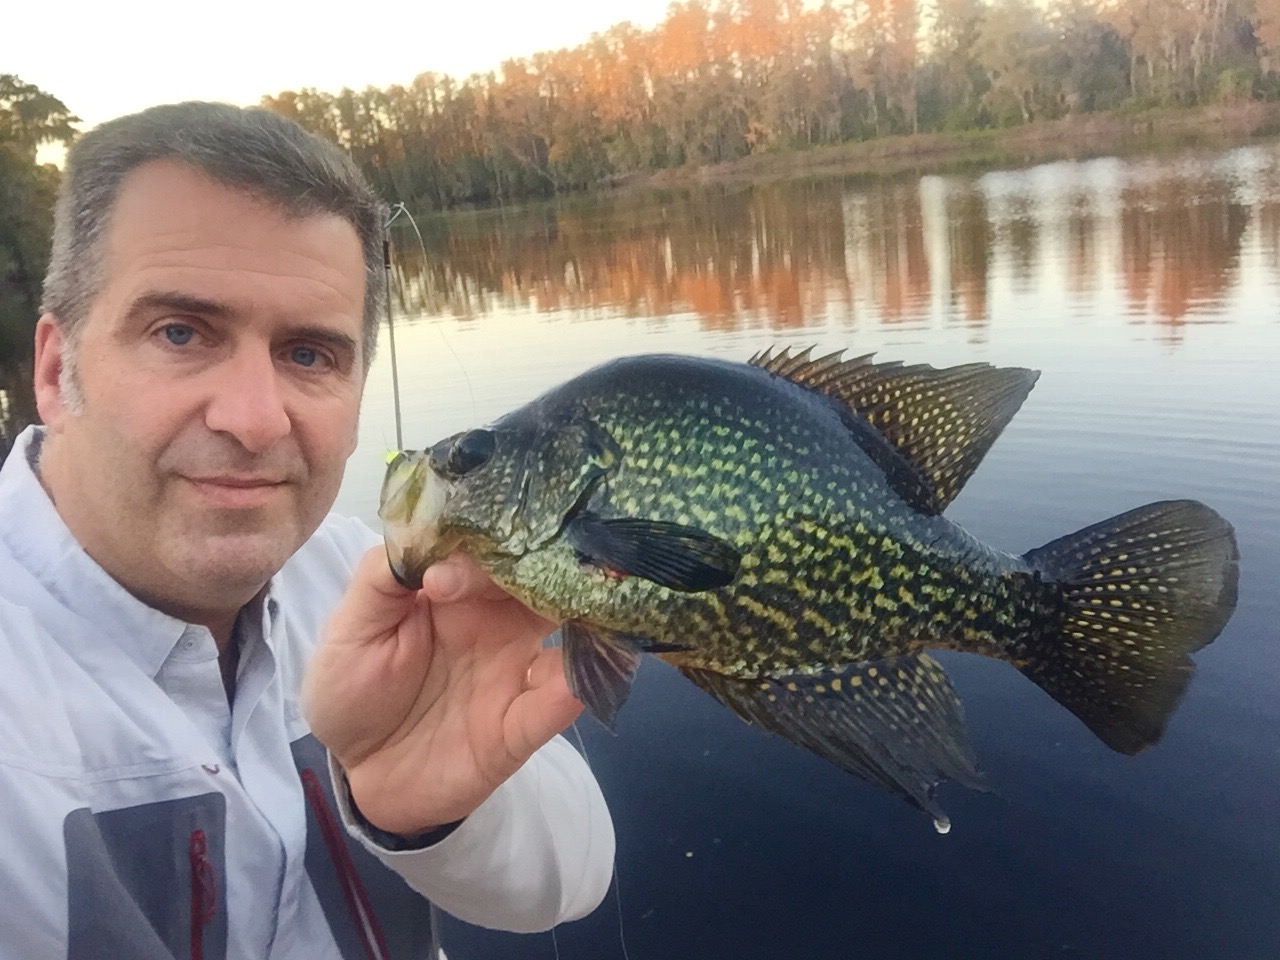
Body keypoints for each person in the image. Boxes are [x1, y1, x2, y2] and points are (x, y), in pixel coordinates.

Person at [0, 102, 615, 959]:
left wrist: (432, 811)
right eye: (181, 333)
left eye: (309, 355)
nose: (255, 419)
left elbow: (573, 879)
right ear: (55, 373)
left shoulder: (374, 580)